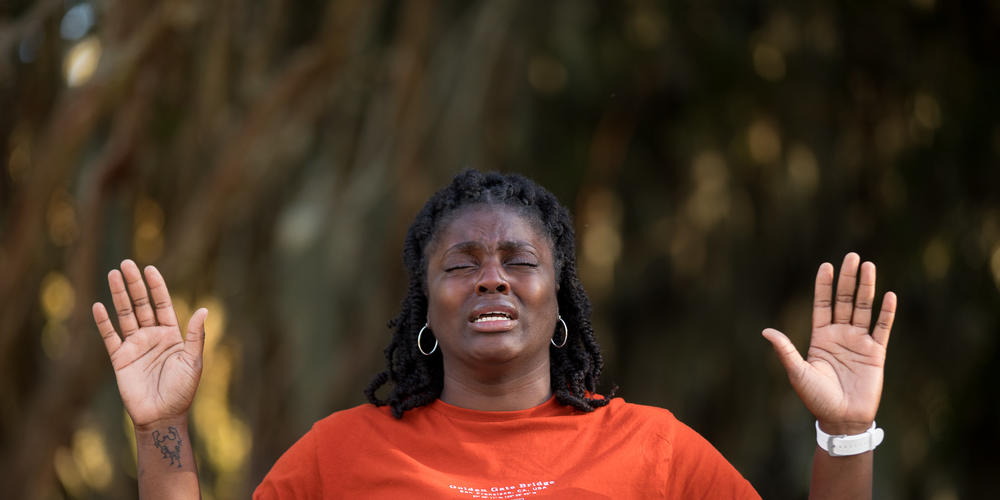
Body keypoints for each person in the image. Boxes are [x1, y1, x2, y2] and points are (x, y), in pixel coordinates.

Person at [92, 170, 897, 499]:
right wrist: (164, 432)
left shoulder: (656, 451)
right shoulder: (338, 456)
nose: (492, 277)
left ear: (561, 300)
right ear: (427, 306)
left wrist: (847, 434)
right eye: (462, 263)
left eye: (520, 260)